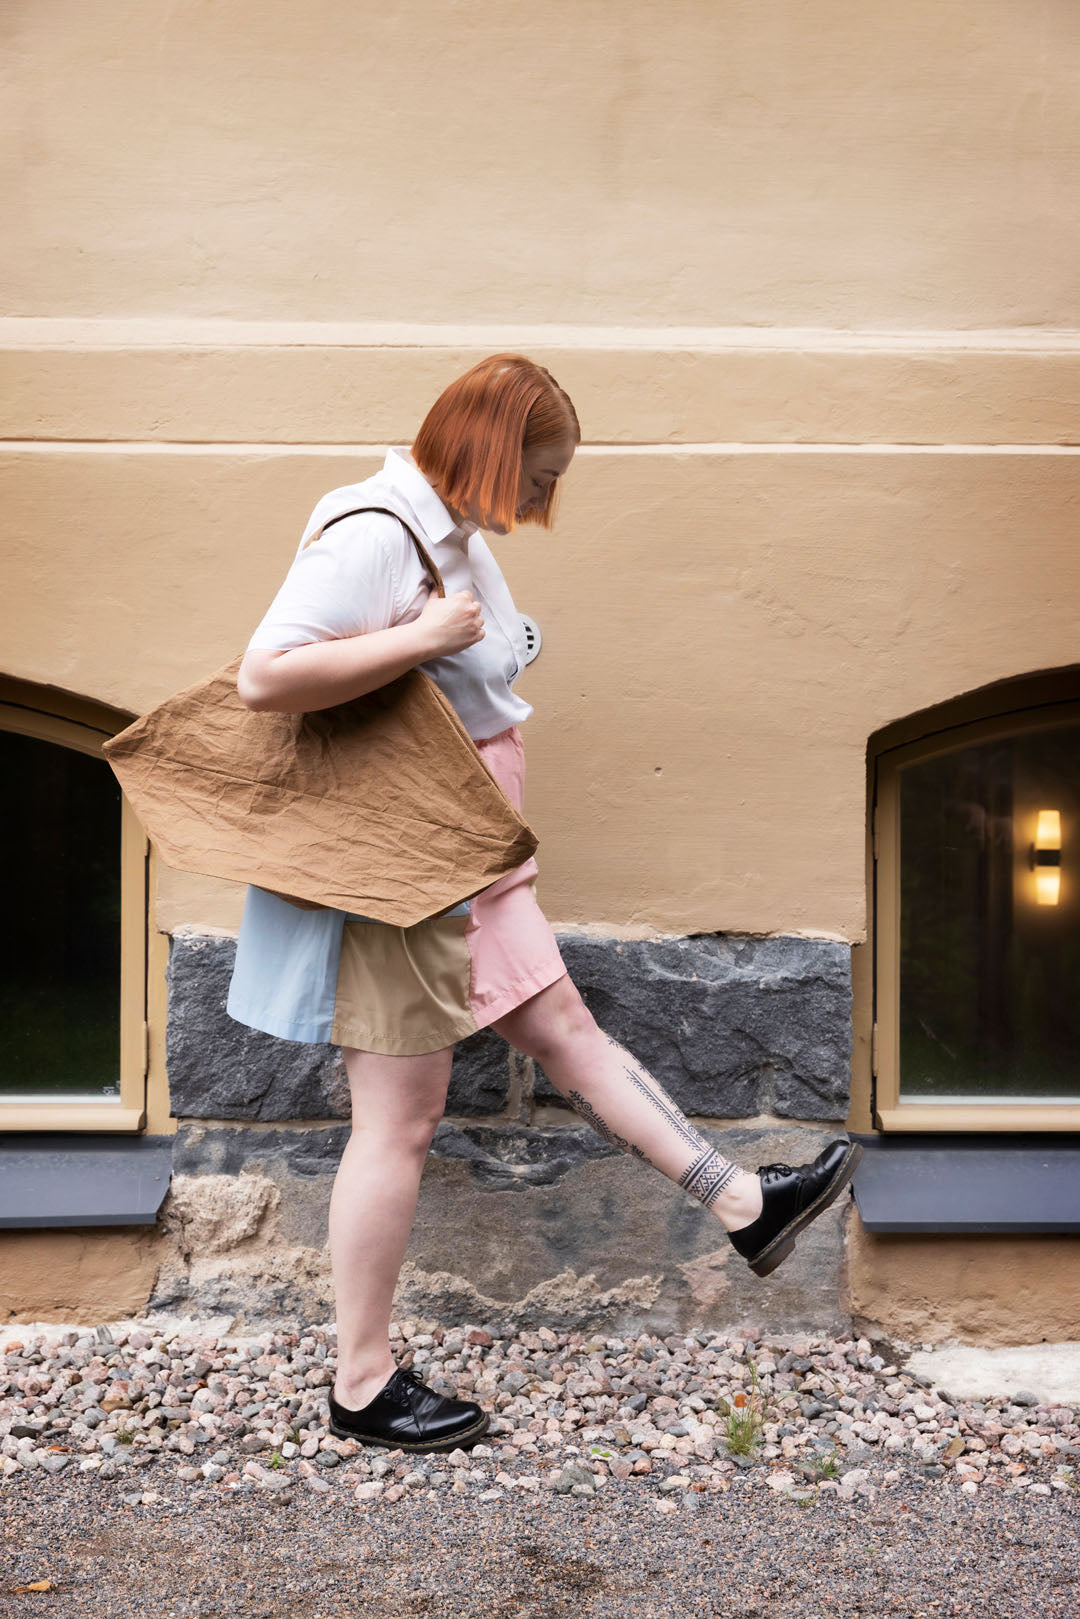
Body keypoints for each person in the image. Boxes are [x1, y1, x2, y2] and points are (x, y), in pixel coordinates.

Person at [230, 354, 860, 1455]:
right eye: (542, 470)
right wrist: (425, 638)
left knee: (565, 1028)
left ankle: (743, 1204)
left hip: (471, 848)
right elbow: (264, 674)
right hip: (410, 866)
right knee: (399, 1120)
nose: (545, 495)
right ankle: (361, 1382)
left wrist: (470, 648)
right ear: (492, 446)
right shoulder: (375, 531)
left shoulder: (453, 538)